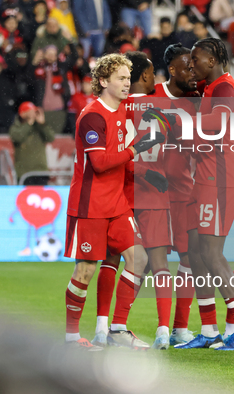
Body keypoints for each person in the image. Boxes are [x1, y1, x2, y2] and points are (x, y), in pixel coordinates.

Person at [63, 53, 163, 350]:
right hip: (89, 205)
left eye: (127, 78)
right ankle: (71, 337)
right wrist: (138, 148)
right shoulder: (93, 115)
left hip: (116, 204)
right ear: (103, 81)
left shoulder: (121, 112)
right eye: (120, 78)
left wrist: (148, 173)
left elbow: (121, 161)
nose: (126, 83)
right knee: (85, 271)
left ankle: (118, 329)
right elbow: (101, 163)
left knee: (139, 258)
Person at [171, 38, 234, 351]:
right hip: (206, 176)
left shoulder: (225, 87)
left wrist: (181, 121)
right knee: (196, 251)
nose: (191, 65)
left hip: (221, 177)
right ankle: (210, 330)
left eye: (195, 60)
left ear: (211, 62)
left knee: (211, 252)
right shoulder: (209, 88)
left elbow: (221, 121)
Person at [91, 51, 172, 349]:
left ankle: (103, 327)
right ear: (144, 76)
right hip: (151, 195)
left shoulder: (117, 108)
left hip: (121, 192)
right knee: (157, 262)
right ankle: (162, 330)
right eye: (151, 73)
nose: (155, 78)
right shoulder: (161, 107)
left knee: (111, 261)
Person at [153, 44, 201, 346]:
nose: (193, 73)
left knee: (189, 258)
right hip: (151, 193)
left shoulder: (196, 100)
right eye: (187, 67)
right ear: (172, 69)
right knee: (143, 262)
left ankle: (180, 328)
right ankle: (118, 325)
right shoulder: (148, 97)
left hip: (184, 191)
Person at [9, 101, 55, 185]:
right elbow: (18, 137)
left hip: (41, 171)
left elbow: (51, 138)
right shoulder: (16, 128)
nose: (33, 114)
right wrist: (29, 123)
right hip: (25, 173)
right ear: (22, 114)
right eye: (30, 111)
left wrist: (42, 123)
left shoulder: (39, 127)